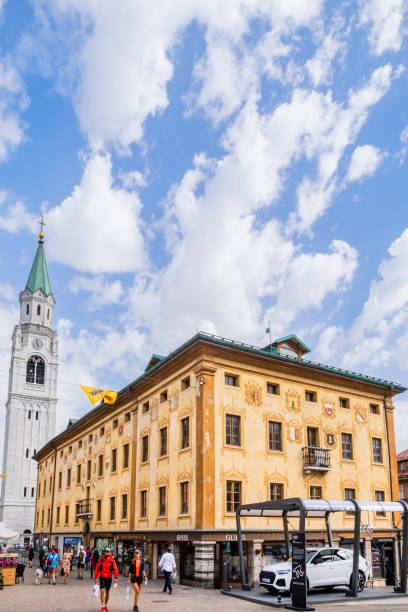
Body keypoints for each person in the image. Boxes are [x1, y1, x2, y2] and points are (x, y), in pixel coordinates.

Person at [95, 547, 119, 612]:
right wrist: (96, 578)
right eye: (105, 551)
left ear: (109, 553)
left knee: (107, 593)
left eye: (108, 552)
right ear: (104, 552)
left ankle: (105, 605)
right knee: (102, 592)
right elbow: (97, 569)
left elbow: (115, 569)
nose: (106, 553)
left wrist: (116, 578)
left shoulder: (112, 561)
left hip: (109, 578)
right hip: (102, 577)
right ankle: (102, 606)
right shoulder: (100, 560)